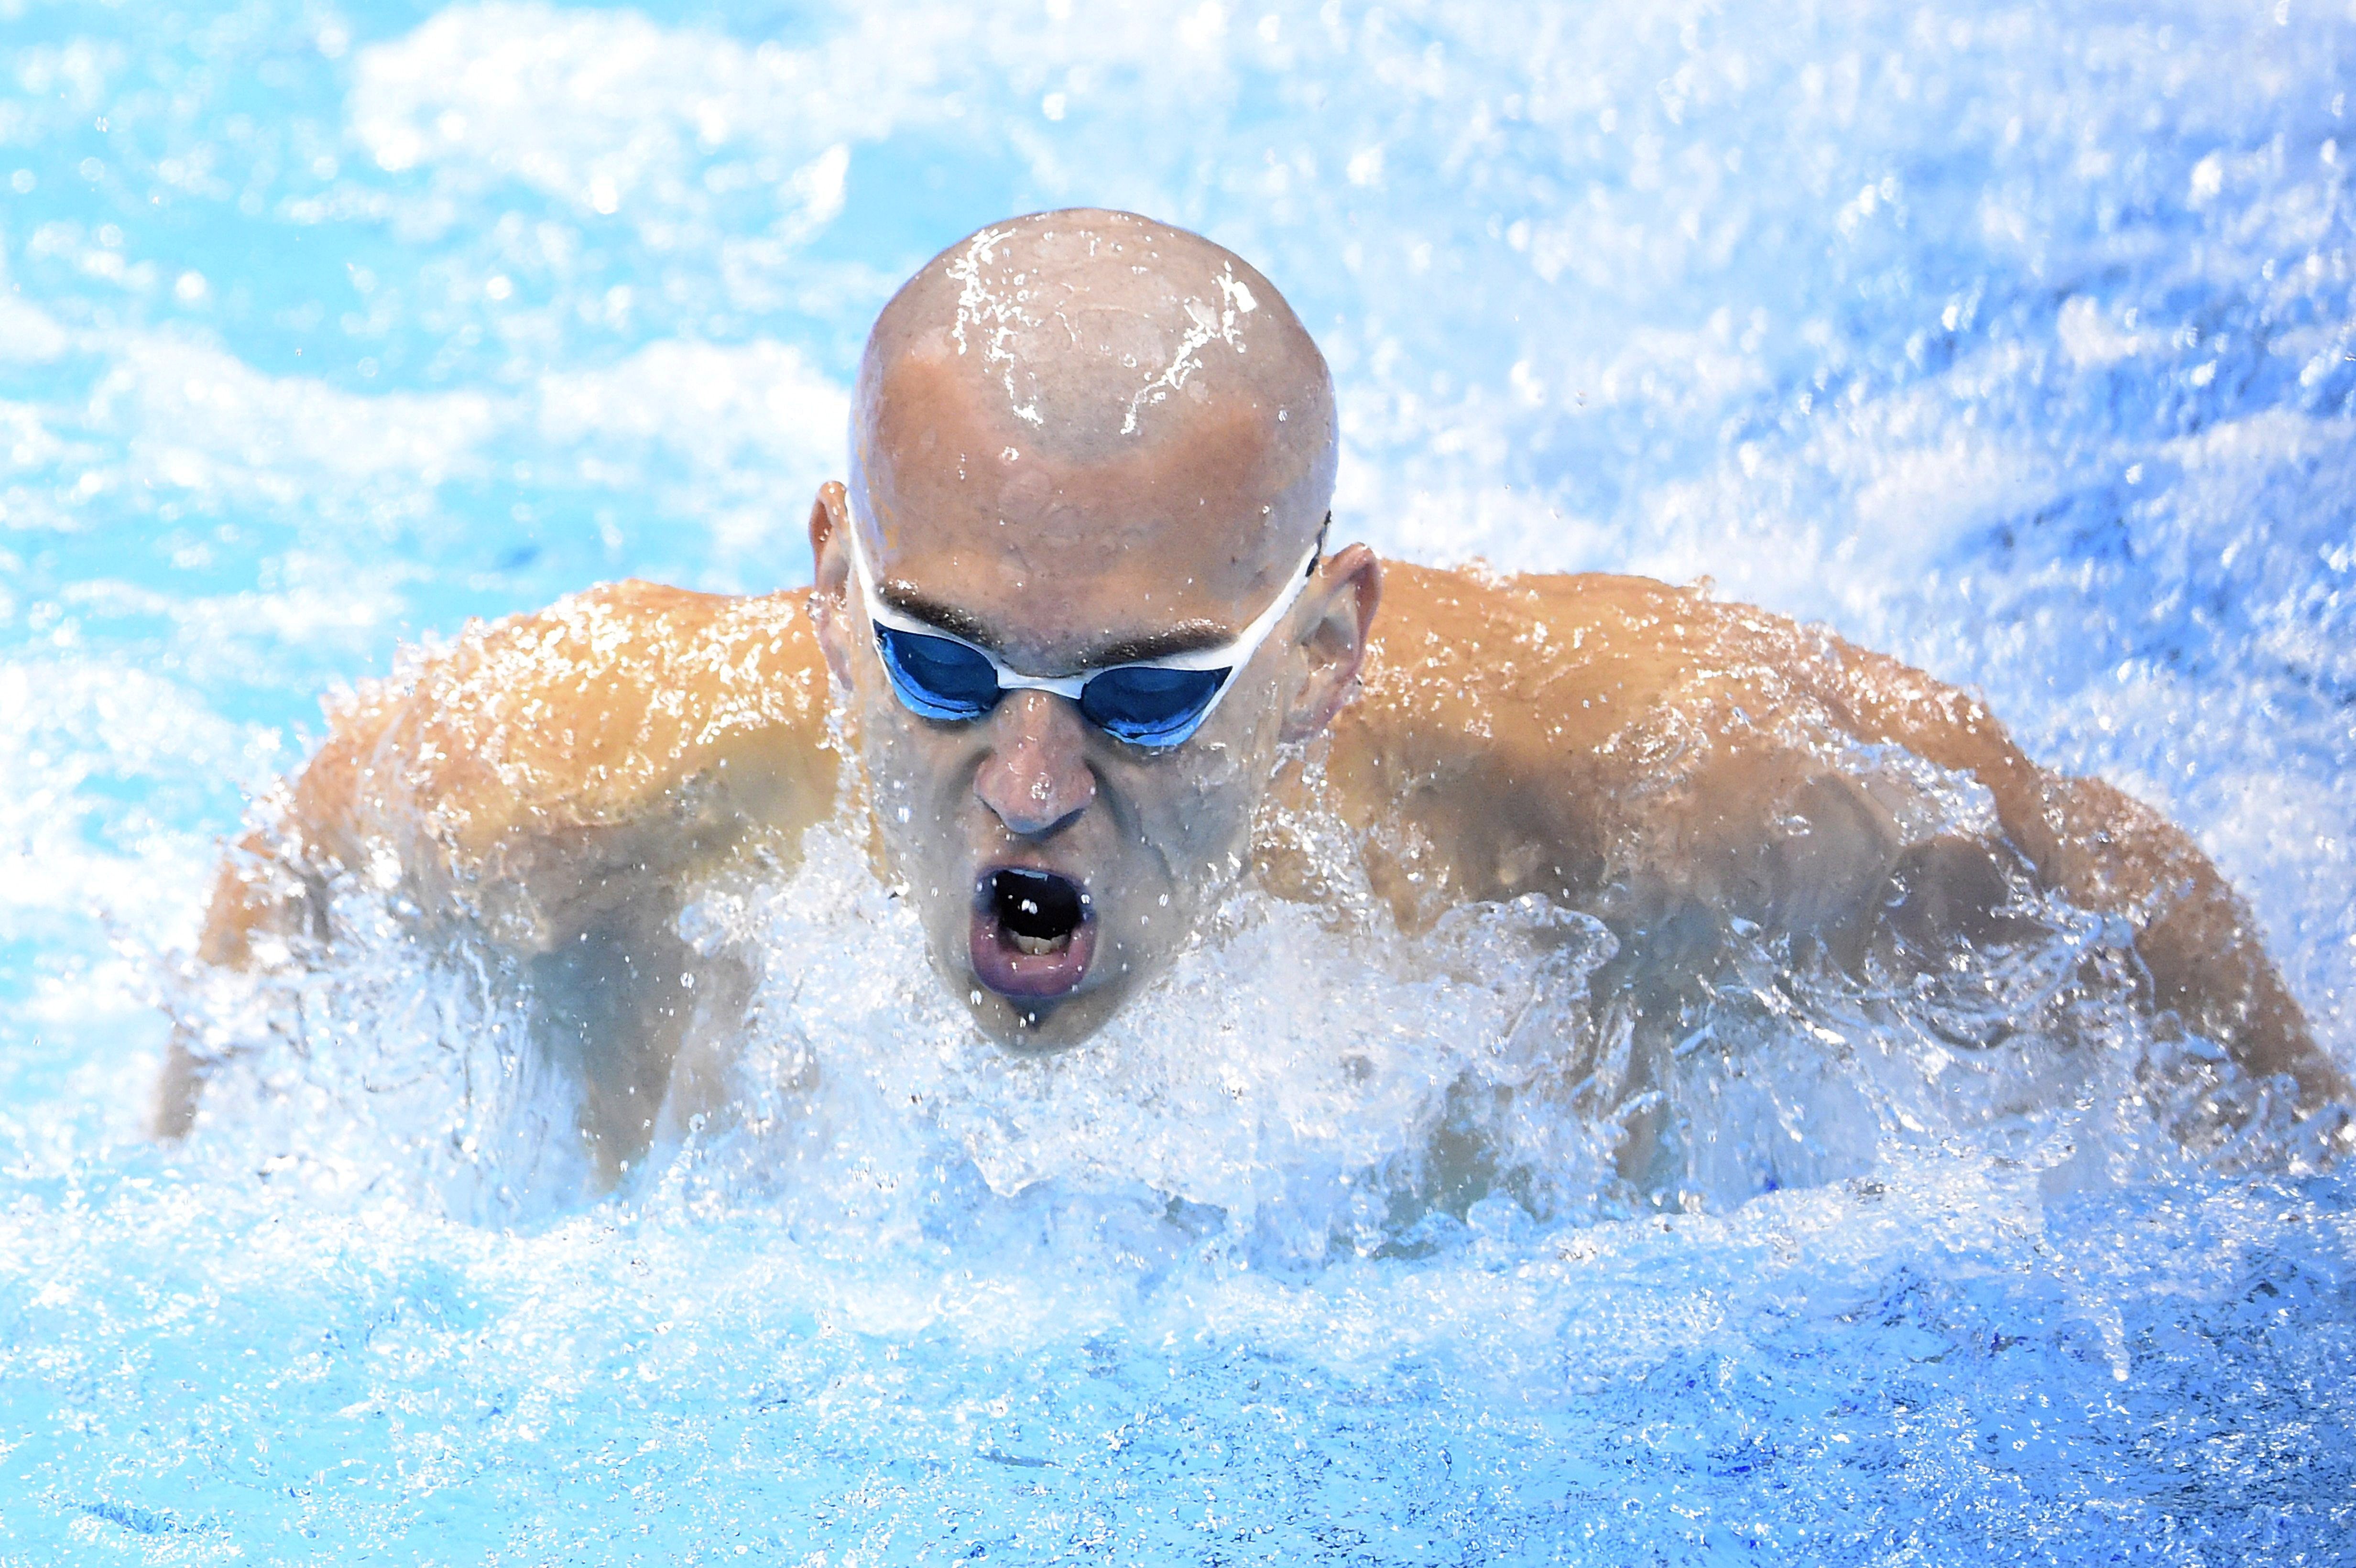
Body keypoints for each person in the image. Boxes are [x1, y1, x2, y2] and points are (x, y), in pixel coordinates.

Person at [157, 208, 2347, 1189]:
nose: (1027, 784)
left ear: (1319, 660)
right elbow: (291, 886)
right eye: (938, 667)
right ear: (830, 596)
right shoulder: (556, 787)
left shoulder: (1674, 791)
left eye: (1147, 694)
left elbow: (2100, 890)